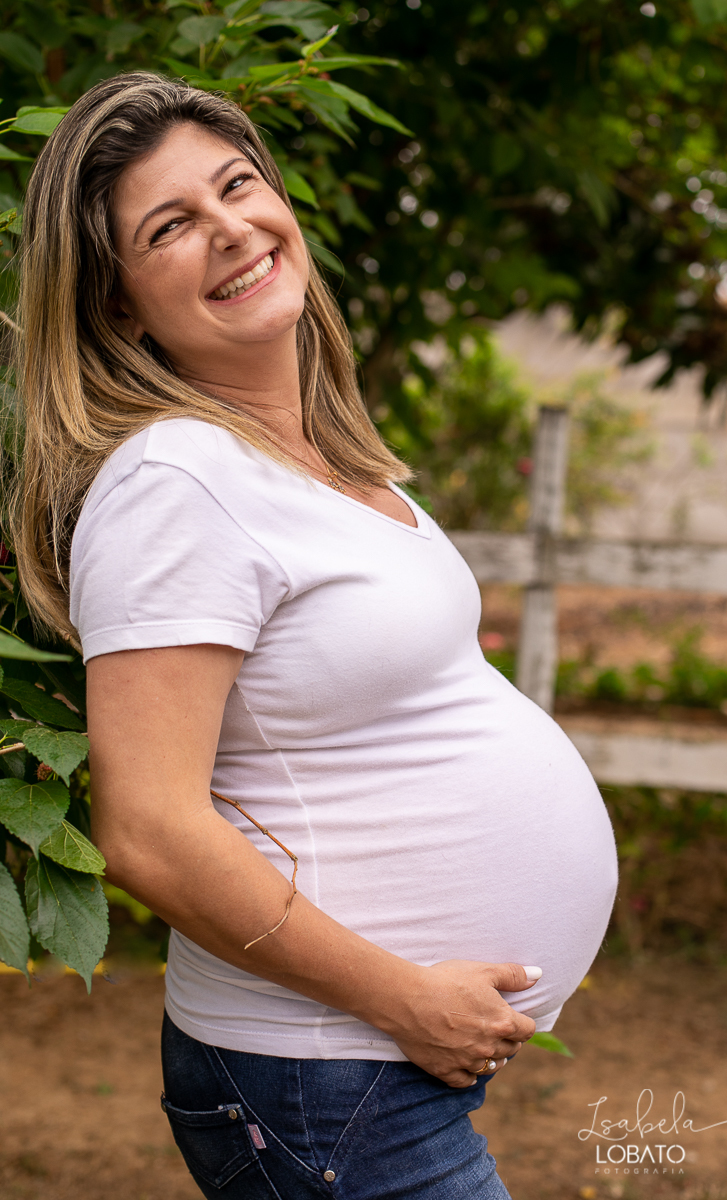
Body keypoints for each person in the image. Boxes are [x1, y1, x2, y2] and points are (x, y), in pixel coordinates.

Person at [11, 72, 618, 1199]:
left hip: (357, 1070)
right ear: (116, 308)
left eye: (237, 186)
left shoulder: (317, 458)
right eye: (171, 227)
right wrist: (400, 996)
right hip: (320, 1070)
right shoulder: (172, 479)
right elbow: (145, 830)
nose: (231, 228)